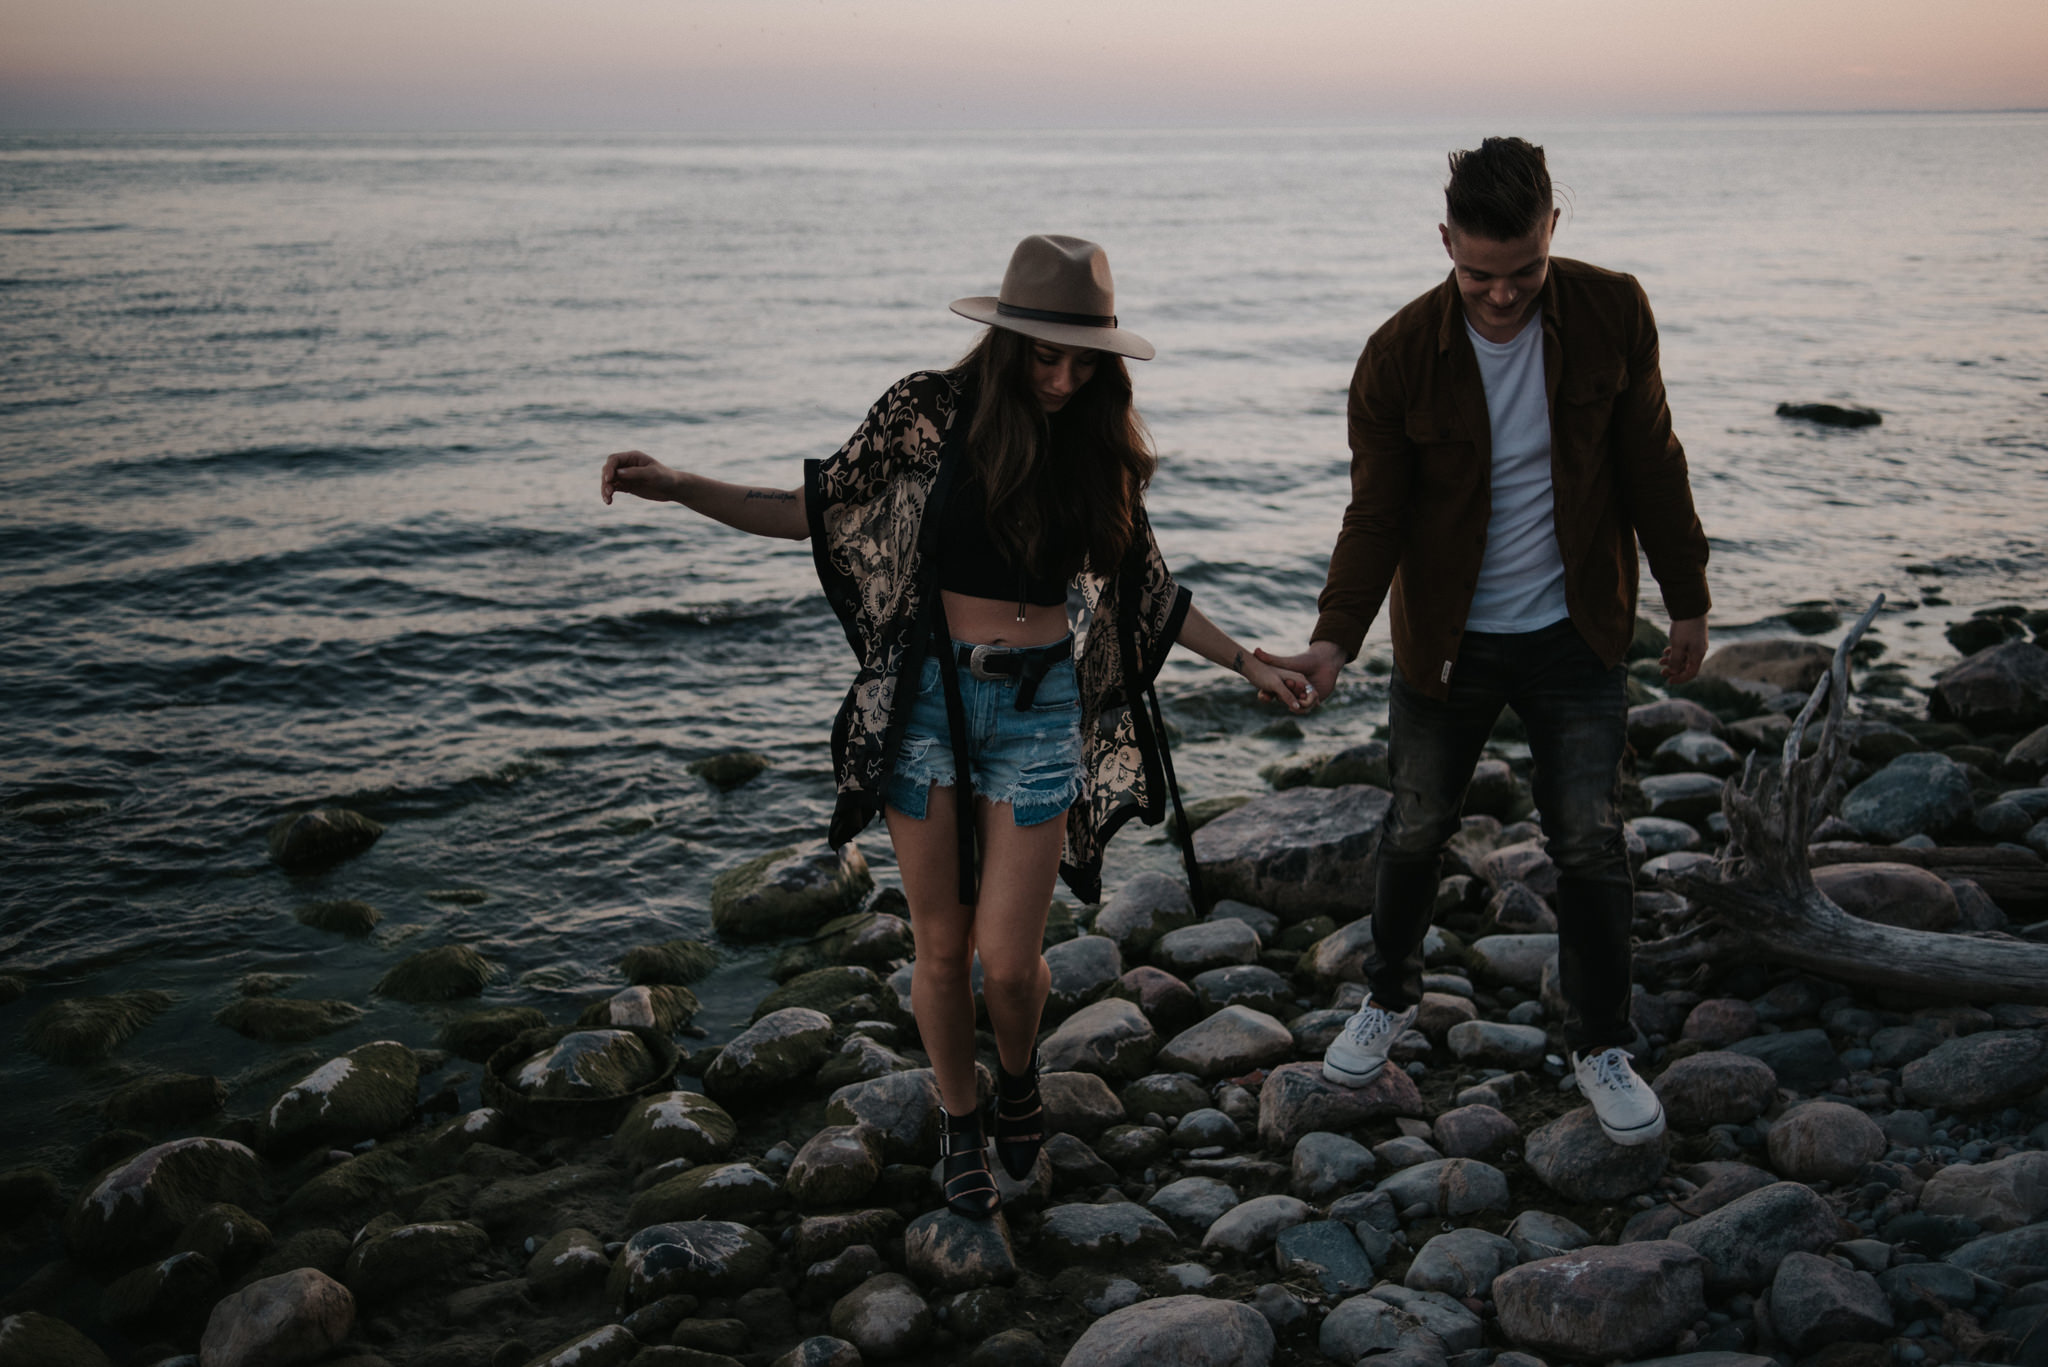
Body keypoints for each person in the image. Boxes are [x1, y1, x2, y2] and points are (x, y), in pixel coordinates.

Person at [601, 234, 1309, 1214]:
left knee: (1011, 959)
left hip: (1038, 707)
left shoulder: (1097, 438)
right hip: (926, 703)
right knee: (939, 947)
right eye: (1042, 354)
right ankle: (960, 1115)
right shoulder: (927, 414)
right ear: (1006, 338)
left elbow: (1144, 588)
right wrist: (681, 486)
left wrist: (1247, 661)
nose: (1060, 377)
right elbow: (815, 509)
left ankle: (1017, 1078)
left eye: (1080, 358)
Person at [1258, 139, 1711, 1146]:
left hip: (1575, 629)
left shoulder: (1612, 310)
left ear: (1552, 228)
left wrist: (1686, 596)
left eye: (1522, 274)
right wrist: (1332, 638)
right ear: (1443, 243)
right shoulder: (1395, 354)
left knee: (1589, 839)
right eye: (1476, 276)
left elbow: (1651, 459)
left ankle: (1600, 1043)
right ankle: (1386, 996)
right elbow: (1372, 515)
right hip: (1446, 642)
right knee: (1415, 826)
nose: (1499, 297)